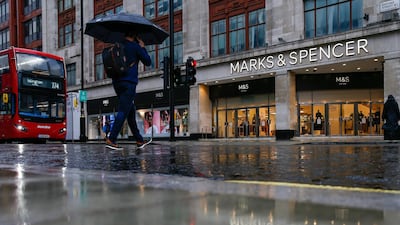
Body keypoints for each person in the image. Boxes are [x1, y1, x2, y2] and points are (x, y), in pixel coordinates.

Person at [105, 31, 152, 150]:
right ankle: (112, 139)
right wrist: (143, 47)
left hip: (117, 83)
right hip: (129, 83)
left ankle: (139, 140)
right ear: (134, 36)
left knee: (130, 111)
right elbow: (148, 61)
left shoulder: (119, 46)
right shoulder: (135, 47)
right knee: (122, 111)